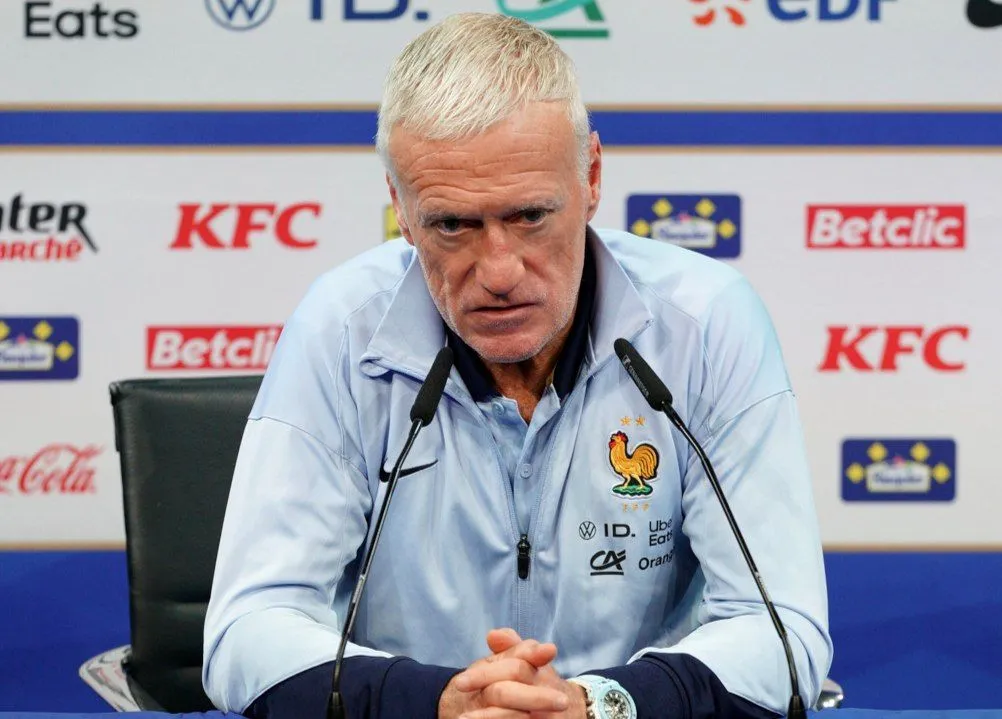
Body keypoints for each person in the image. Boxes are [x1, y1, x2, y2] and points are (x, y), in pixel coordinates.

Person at [202, 12, 832, 719]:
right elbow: (245, 634)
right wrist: (443, 701)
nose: (499, 272)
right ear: (400, 208)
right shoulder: (341, 330)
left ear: (591, 176)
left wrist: (596, 705)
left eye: (530, 216)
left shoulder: (706, 323)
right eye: (452, 225)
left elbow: (783, 633)